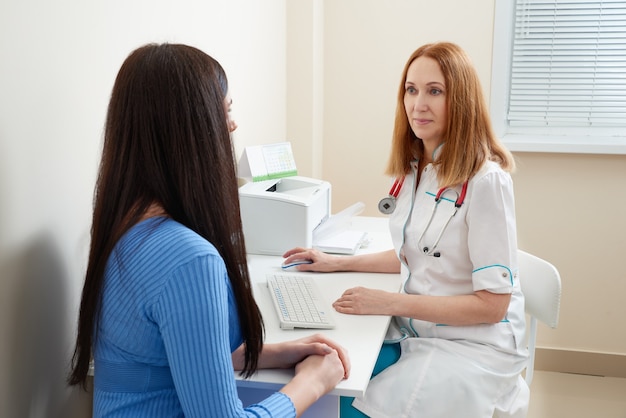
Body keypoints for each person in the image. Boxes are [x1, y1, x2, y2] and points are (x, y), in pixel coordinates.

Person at [67, 43, 350, 417]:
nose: (232, 125)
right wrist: (313, 382)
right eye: (226, 110)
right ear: (191, 126)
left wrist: (276, 353)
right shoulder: (189, 258)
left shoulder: (122, 228)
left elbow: (164, 357)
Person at [283, 42, 529, 418]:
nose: (418, 104)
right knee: (330, 374)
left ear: (460, 100)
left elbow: (493, 306)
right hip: (419, 331)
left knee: (347, 409)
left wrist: (390, 303)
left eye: (435, 91)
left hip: (471, 345)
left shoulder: (486, 182)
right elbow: (414, 253)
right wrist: (334, 263)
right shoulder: (418, 168)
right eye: (411, 90)